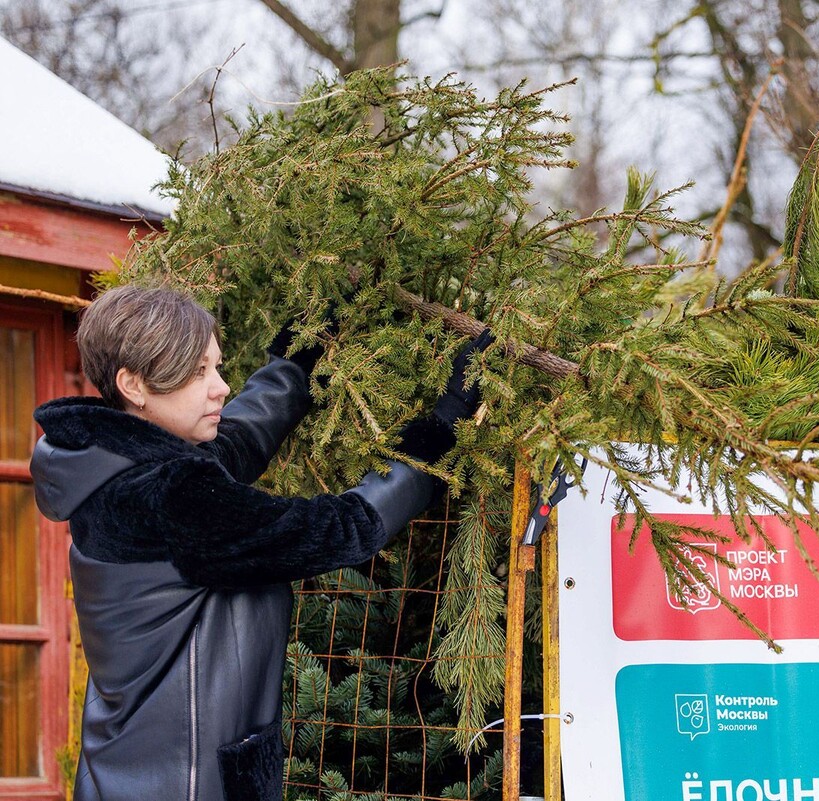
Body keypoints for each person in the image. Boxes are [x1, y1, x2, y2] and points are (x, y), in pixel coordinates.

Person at [30, 284, 491, 801]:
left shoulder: (111, 465)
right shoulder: (171, 496)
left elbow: (239, 439)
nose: (220, 387)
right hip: (184, 785)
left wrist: (297, 356)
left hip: (125, 772)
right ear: (134, 385)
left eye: (217, 367)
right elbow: (343, 527)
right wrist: (441, 428)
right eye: (198, 372)